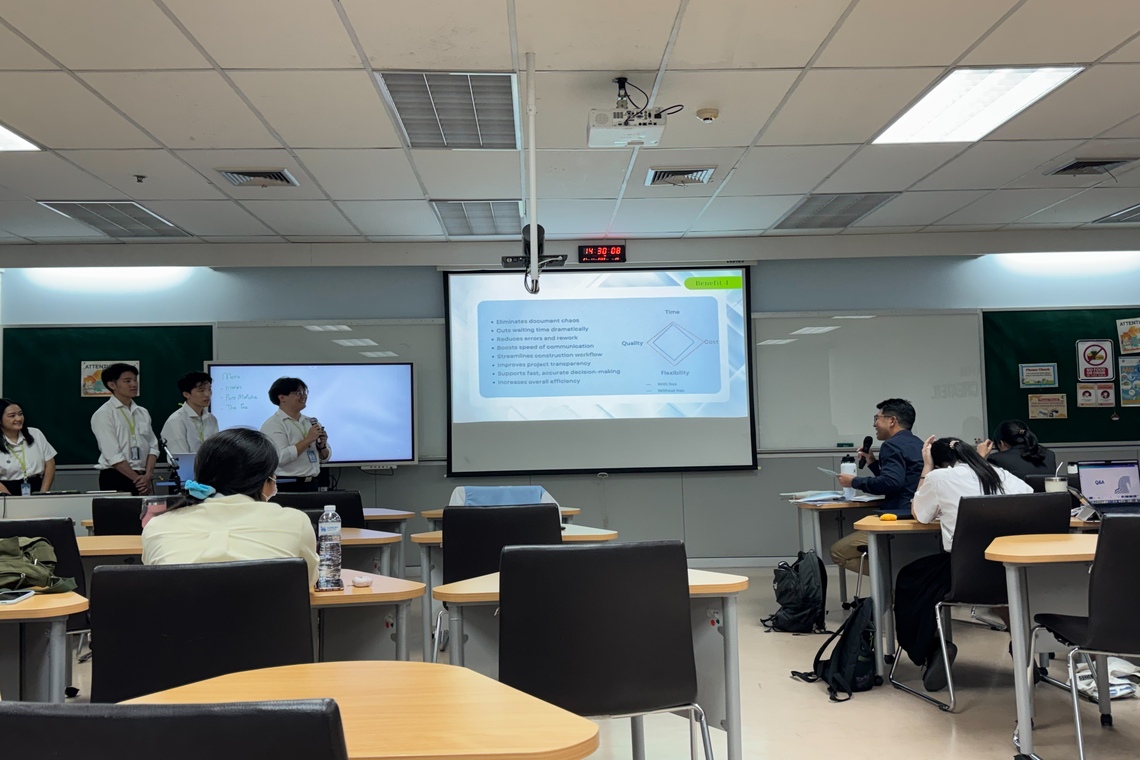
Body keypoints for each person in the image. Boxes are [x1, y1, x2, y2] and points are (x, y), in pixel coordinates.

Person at [895, 435, 1032, 691]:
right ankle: (1023, 648)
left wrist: (926, 468)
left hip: (965, 574)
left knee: (910, 578)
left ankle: (933, 648)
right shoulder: (999, 474)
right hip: (1011, 571)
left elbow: (920, 515)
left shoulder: (938, 477)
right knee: (1000, 595)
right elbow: (1031, 498)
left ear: (938, 462)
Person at [141, 427, 319, 585]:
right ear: (266, 480)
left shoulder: (158, 526)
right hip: (265, 613)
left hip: (183, 613)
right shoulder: (295, 522)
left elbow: (155, 584)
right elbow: (308, 580)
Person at [831, 398, 924, 575]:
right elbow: (903, 480)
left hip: (898, 519)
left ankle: (893, 579)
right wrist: (873, 463)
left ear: (892, 420)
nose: (874, 424)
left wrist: (854, 482)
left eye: (877, 418)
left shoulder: (891, 445)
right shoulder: (919, 444)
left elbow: (891, 483)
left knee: (838, 552)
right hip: (918, 516)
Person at [90, 363, 159, 495]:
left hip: (143, 476)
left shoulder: (142, 412)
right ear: (112, 385)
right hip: (116, 476)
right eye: (127, 381)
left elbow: (153, 446)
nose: (133, 384)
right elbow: (112, 455)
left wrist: (147, 476)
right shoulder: (104, 413)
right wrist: (138, 480)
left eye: (135, 380)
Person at [260, 377, 330, 492]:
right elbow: (280, 458)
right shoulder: (273, 424)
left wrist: (322, 445)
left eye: (304, 392)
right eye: (298, 393)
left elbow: (324, 458)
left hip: (312, 483)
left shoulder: (311, 422)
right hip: (287, 485)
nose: (304, 396)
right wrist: (308, 439)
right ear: (282, 397)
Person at [0, 399, 56, 494]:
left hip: (37, 488)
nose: (18, 419)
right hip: (6, 492)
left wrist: (42, 494)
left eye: (20, 414)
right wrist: (9, 499)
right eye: (12, 416)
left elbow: (50, 464)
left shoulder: (36, 434)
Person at [160, 371, 220, 454]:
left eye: (209, 389)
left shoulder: (211, 419)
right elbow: (181, 457)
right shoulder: (176, 420)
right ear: (186, 394)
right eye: (201, 390)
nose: (207, 394)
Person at [977, 419, 1057, 479]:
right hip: (1049, 497)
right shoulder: (1049, 454)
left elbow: (981, 484)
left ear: (1002, 443)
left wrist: (980, 456)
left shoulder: (996, 459)